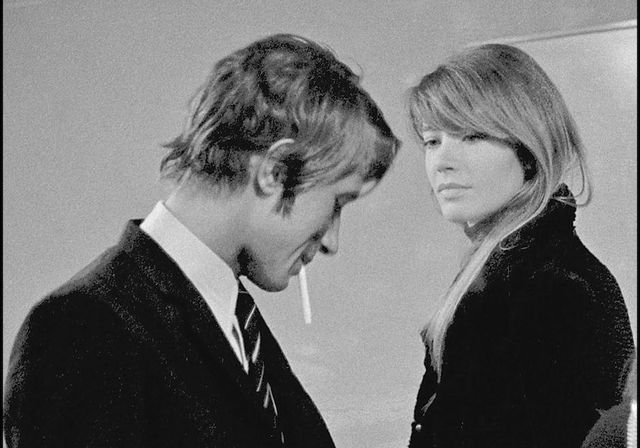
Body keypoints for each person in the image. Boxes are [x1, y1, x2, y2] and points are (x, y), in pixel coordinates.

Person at [3, 33, 400, 448]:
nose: (332, 241)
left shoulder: (237, 329)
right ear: (276, 170)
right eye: (337, 203)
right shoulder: (85, 328)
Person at [406, 43, 635, 447]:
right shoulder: (505, 272)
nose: (442, 161)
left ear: (529, 149)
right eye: (432, 141)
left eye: (472, 136)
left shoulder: (553, 287)